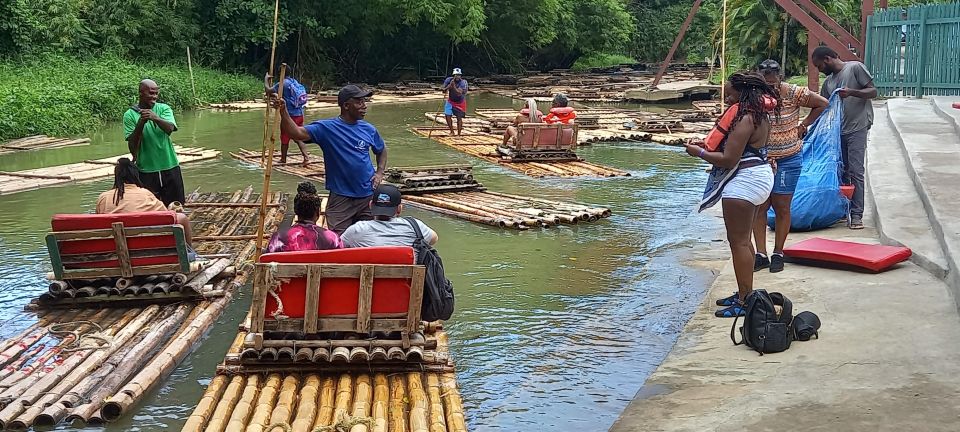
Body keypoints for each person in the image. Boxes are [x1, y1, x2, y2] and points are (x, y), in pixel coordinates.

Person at [685, 72, 780, 317]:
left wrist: (699, 153)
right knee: (744, 240)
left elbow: (728, 160)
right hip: (759, 180)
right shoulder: (760, 116)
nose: (727, 99)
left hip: (744, 184)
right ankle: (743, 293)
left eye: (730, 93)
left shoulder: (746, 119)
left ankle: (745, 300)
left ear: (744, 93)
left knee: (737, 243)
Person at [276, 85, 388, 235]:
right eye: (359, 102)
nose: (364, 106)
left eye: (364, 101)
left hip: (367, 195)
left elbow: (381, 150)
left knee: (368, 238)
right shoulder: (326, 128)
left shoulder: (369, 129)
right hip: (341, 197)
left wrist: (379, 173)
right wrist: (283, 112)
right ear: (346, 106)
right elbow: (296, 133)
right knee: (339, 239)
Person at [753, 59, 829, 273]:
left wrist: (803, 125)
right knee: (760, 206)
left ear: (780, 77)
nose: (770, 86)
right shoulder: (753, 94)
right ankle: (761, 253)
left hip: (788, 157)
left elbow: (822, 102)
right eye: (765, 82)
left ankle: (778, 252)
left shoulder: (791, 92)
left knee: (782, 206)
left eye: (773, 82)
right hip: (761, 159)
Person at [811, 46, 877, 230]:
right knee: (841, 171)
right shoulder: (828, 83)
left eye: (819, 66)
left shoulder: (855, 68)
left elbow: (873, 92)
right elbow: (823, 108)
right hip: (838, 131)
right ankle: (842, 211)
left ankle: (857, 214)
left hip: (858, 127)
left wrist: (852, 93)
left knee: (856, 171)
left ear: (827, 59)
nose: (819, 70)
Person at [96, 157, 194, 247]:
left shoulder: (103, 198)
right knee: (182, 217)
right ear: (135, 175)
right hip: (145, 248)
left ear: (116, 177)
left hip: (114, 250)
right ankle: (189, 252)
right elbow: (167, 217)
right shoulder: (146, 195)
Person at [123, 79, 184, 207]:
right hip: (146, 170)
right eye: (151, 93)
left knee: (176, 206)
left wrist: (154, 117)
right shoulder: (129, 115)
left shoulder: (163, 108)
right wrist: (141, 123)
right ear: (141, 93)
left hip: (170, 166)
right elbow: (132, 145)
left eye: (156, 93)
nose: (154, 97)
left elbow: (170, 129)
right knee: (149, 208)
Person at [341, 184, 438, 248]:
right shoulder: (415, 226)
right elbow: (434, 239)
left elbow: (340, 246)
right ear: (399, 209)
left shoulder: (357, 229)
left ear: (370, 205)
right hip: (406, 279)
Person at [266, 182, 343, 252]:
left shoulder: (279, 237)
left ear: (296, 211)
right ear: (318, 213)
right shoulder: (332, 238)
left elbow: (268, 261)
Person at [265, 68, 311, 166]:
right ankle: (306, 157)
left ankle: (283, 159)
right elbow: (284, 95)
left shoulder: (282, 84)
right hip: (299, 114)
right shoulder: (293, 82)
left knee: (285, 137)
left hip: (289, 116)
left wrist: (266, 79)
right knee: (299, 135)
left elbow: (268, 90)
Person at [443, 68, 468, 136]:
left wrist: (453, 86)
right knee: (447, 115)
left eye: (459, 75)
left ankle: (459, 134)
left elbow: (459, 93)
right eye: (456, 75)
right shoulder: (449, 80)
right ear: (453, 75)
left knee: (459, 118)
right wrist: (449, 86)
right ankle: (452, 131)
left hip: (460, 102)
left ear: (461, 76)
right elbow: (443, 90)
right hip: (450, 101)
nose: (457, 77)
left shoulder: (463, 82)